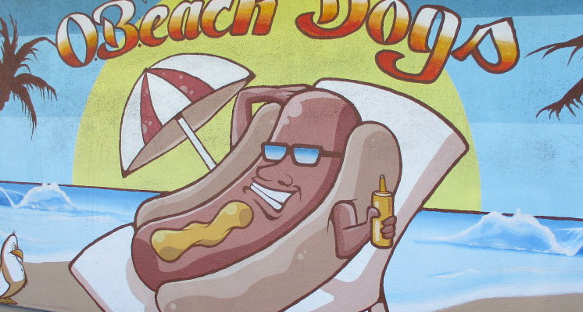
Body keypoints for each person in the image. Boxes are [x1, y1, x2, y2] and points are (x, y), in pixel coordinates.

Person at [131, 84, 396, 292]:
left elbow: (343, 243)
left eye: (306, 155)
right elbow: (242, 150)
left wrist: (372, 228)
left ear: (341, 159)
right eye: (275, 150)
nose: (277, 173)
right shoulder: (255, 169)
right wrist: (251, 96)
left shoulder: (336, 204)